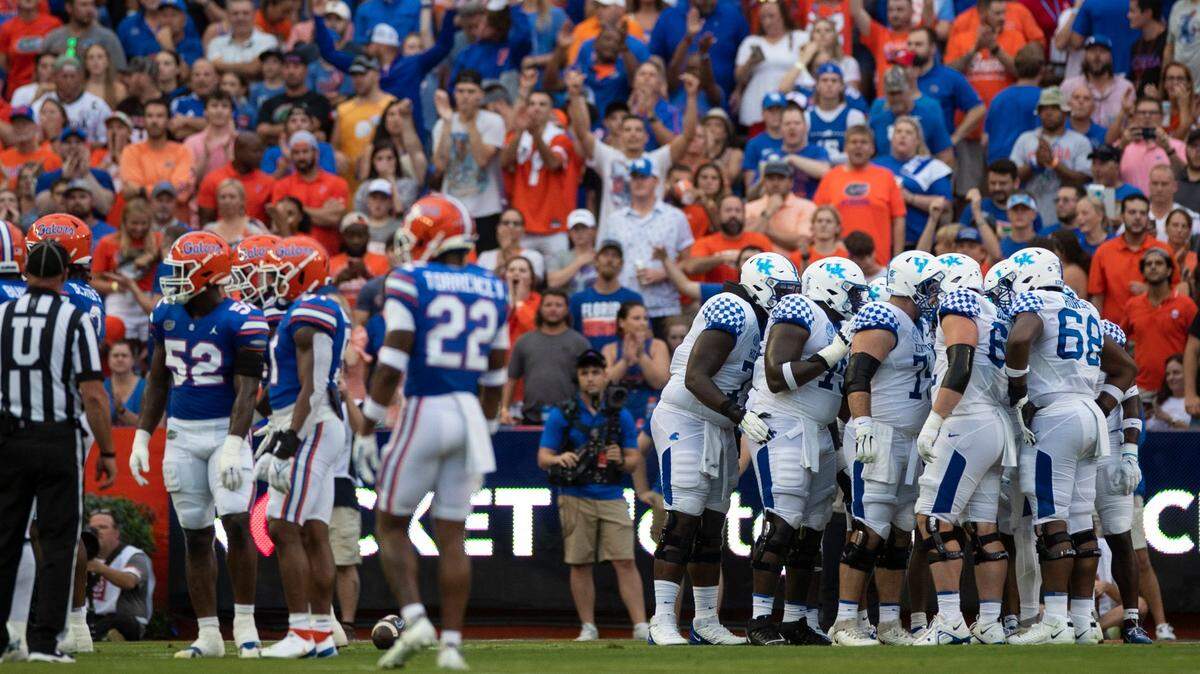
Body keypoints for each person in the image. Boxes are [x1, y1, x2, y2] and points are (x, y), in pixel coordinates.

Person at [350, 197, 508, 669]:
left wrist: (368, 423)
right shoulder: (493, 285)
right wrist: (488, 426)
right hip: (470, 413)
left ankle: (417, 618)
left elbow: (394, 357)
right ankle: (452, 645)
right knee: (452, 533)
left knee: (389, 522)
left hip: (426, 407)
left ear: (435, 238)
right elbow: (496, 373)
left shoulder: (410, 279)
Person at [127, 232, 266, 658]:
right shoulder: (165, 313)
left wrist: (234, 443)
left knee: (237, 523)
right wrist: (142, 435)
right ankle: (208, 634)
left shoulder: (242, 318)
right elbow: (157, 379)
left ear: (207, 274)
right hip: (182, 435)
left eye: (184, 269)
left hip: (225, 431)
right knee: (196, 535)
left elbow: (247, 391)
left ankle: (245, 625)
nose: (174, 277)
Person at [646, 252, 794, 646]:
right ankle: (662, 620)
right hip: (686, 417)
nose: (786, 298)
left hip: (719, 424)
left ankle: (705, 621)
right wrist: (738, 413)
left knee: (712, 527)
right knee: (682, 520)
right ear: (760, 285)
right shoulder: (731, 306)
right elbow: (696, 377)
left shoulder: (762, 318)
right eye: (781, 290)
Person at [1003, 246, 1138, 645]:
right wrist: (1100, 406)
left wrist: (1019, 397)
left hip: (1055, 417)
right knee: (1081, 524)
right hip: (1089, 417)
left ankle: (1056, 621)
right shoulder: (1086, 308)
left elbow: (1019, 340)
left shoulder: (1036, 302)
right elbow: (1127, 368)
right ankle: (1083, 622)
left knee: (1051, 522)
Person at [0, 237, 114, 664]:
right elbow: (93, 394)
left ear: (25, 273)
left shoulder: (2, 315)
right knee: (58, 540)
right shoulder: (74, 317)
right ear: (65, 276)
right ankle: (45, 643)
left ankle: (6, 636)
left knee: (7, 540)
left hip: (9, 439)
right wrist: (108, 450)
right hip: (57, 439)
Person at [744, 256, 864, 646]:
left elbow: (829, 399)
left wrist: (842, 455)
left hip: (818, 431)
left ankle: (796, 620)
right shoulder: (800, 307)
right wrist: (835, 351)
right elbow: (778, 376)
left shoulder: (835, 325)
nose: (857, 301)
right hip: (782, 424)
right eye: (852, 293)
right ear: (831, 288)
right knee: (782, 523)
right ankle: (759, 619)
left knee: (812, 530)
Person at [826, 250, 939, 647]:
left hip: (909, 440)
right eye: (929, 286)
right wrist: (862, 425)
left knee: (901, 533)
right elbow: (857, 374)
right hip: (881, 434)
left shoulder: (919, 323)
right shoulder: (883, 315)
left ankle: (889, 622)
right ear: (908, 283)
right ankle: (844, 621)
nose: (934, 294)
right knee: (868, 530)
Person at [908, 253, 1010, 645]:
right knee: (984, 528)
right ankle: (990, 622)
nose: (934, 294)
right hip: (993, 422)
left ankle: (950, 620)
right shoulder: (994, 311)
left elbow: (960, 365)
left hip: (965, 421)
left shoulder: (960, 302)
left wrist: (935, 419)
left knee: (933, 519)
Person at [254, 236, 348, 659]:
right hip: (308, 422)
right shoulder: (303, 310)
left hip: (311, 423)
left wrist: (290, 439)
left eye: (279, 273)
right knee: (312, 529)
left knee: (282, 526)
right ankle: (323, 634)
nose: (272, 282)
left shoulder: (313, 310)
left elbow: (316, 385)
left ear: (302, 273)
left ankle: (300, 632)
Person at [537, 348, 648, 642]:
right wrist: (559, 459)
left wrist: (619, 459)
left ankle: (640, 625)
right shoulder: (564, 413)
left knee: (624, 560)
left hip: (611, 493)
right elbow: (543, 457)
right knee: (580, 562)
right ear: (578, 377)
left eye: (595, 372)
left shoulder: (619, 413)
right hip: (575, 494)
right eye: (585, 373)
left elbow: (633, 460)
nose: (590, 378)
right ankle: (588, 625)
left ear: (604, 375)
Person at [565, 69, 698, 236]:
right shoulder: (608, 157)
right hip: (613, 239)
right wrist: (575, 95)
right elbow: (582, 132)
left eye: (638, 130)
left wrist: (691, 96)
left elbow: (687, 136)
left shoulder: (658, 159)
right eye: (627, 130)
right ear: (620, 134)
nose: (633, 134)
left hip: (651, 236)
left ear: (646, 137)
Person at [1089, 319, 1157, 644]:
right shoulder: (1078, 364)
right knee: (1078, 536)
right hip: (1081, 453)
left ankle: (1131, 619)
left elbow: (1132, 409)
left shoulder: (1121, 372)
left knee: (1120, 537)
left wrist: (1130, 454)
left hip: (1110, 451)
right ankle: (1080, 617)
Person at [607, 157, 694, 334]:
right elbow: (607, 260)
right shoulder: (615, 220)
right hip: (627, 307)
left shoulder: (675, 217)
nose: (638, 182)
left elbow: (688, 262)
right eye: (634, 177)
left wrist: (665, 272)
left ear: (655, 181)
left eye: (644, 177)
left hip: (665, 305)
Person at [500, 90, 581, 259]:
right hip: (523, 224)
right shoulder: (517, 136)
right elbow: (504, 163)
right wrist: (520, 132)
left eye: (542, 104)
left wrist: (536, 135)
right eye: (532, 104)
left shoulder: (560, 138)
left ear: (551, 111)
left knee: (556, 272)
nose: (536, 108)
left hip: (554, 224)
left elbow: (553, 163)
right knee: (519, 269)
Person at [431, 70, 505, 251]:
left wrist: (470, 122)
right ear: (454, 94)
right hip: (453, 209)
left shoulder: (493, 121)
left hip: (486, 209)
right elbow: (440, 165)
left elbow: (481, 159)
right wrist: (447, 122)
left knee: (484, 259)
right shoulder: (443, 123)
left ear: (481, 95)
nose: (465, 96)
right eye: (461, 91)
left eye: (471, 92)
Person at [813, 125, 906, 265]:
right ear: (845, 148)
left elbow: (899, 219)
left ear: (872, 148)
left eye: (864, 142)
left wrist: (897, 260)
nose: (858, 146)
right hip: (839, 264)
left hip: (878, 262)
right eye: (854, 142)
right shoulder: (830, 177)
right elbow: (817, 218)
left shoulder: (886, 177)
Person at [502, 289, 591, 425]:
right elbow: (511, 379)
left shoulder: (580, 343)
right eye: (548, 305)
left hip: (570, 419)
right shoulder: (524, 341)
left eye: (558, 305)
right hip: (531, 417)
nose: (553, 309)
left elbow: (590, 382)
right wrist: (504, 409)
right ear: (540, 308)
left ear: (567, 309)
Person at [1010, 87, 1093, 225]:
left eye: (1054, 108)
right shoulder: (1026, 139)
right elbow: (1012, 177)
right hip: (1030, 212)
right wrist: (1035, 164)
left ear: (1065, 112)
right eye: (1044, 108)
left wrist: (1054, 163)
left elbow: (1083, 179)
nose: (1048, 113)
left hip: (1067, 219)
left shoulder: (1080, 141)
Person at [1089, 194, 1174, 323]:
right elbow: (1097, 298)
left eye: (1142, 213)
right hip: (1113, 330)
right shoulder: (1104, 251)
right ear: (1122, 216)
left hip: (1153, 328)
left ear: (1148, 218)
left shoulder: (1163, 250)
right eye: (1132, 212)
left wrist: (1152, 290)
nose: (1137, 217)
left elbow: (1176, 290)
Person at [1123, 248, 1198, 392]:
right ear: (1143, 271)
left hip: (1177, 389)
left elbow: (1196, 346)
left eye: (1158, 263)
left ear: (1169, 270)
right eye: (1148, 264)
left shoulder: (1186, 305)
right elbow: (1120, 340)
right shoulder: (1133, 305)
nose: (1153, 266)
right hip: (1142, 387)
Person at [874, 115, 954, 248]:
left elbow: (945, 204)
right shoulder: (875, 165)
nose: (903, 136)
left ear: (917, 141)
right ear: (891, 138)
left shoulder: (932, 167)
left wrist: (911, 198)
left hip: (918, 243)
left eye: (909, 133)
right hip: (880, 242)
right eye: (898, 132)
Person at [270, 130, 350, 256]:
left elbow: (334, 219)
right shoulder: (282, 185)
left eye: (305, 151)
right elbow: (280, 220)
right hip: (292, 255)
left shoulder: (337, 183)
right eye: (296, 153)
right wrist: (322, 212)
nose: (301, 157)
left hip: (328, 255)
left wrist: (295, 211)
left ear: (316, 153)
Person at [735, 0, 808, 128]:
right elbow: (738, 78)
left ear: (783, 16)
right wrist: (750, 62)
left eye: (771, 16)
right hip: (756, 105)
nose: (768, 22)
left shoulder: (800, 37)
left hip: (791, 102)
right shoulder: (751, 41)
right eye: (763, 17)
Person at [85, 510, 154, 642]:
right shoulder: (83, 556)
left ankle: (106, 636)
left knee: (122, 621)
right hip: (90, 617)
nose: (97, 532)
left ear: (117, 533)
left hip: (123, 618)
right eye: (93, 528)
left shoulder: (133, 555)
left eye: (103, 527)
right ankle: (105, 637)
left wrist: (101, 568)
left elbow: (129, 582)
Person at [868, 67, 954, 168]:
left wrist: (932, 175)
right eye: (892, 94)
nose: (896, 98)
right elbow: (867, 150)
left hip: (918, 173)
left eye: (899, 92)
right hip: (884, 172)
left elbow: (946, 156)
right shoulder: (878, 111)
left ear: (909, 89)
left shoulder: (928, 112)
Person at [600, 301, 670, 426]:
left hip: (651, 409)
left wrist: (642, 355)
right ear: (621, 322)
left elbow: (660, 382)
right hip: (619, 409)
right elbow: (605, 383)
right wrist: (624, 361)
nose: (643, 323)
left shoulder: (658, 346)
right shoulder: (609, 349)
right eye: (636, 318)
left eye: (645, 318)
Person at [569, 239, 645, 352]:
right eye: (605, 255)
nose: (609, 260)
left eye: (614, 256)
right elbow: (569, 336)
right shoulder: (577, 300)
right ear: (596, 261)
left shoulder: (633, 299)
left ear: (621, 264)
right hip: (588, 360)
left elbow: (645, 334)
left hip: (624, 360)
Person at [685, 196, 774, 284]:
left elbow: (773, 270)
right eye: (728, 210)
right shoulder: (705, 242)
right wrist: (724, 258)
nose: (733, 215)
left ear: (744, 215)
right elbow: (691, 267)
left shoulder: (761, 240)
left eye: (738, 210)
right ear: (719, 215)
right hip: (717, 292)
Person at [984, 43, 1044, 164]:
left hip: (999, 163)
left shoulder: (998, 98)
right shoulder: (1044, 99)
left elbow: (985, 139)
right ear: (1042, 69)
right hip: (1029, 164)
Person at [197, 132, 274, 225]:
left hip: (257, 233)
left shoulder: (268, 182)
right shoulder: (213, 179)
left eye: (262, 151)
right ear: (238, 151)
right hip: (220, 233)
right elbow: (205, 222)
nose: (261, 156)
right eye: (255, 151)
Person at [1061, 36, 1135, 130]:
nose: (1097, 56)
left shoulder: (1126, 87)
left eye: (1102, 51)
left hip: (1117, 138)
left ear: (1111, 57)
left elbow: (1132, 121)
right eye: (1092, 51)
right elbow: (1060, 119)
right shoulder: (1069, 85)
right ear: (1085, 56)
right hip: (1077, 137)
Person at [801, 63, 868, 165]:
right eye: (824, 80)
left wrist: (827, 160)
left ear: (842, 86)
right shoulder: (806, 117)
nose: (829, 84)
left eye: (834, 80)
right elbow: (802, 151)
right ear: (817, 85)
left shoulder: (854, 116)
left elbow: (858, 152)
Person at [1118, 97, 1186, 195]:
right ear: (1134, 116)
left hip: (1166, 203)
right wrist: (1121, 147)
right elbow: (1106, 178)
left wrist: (1168, 150)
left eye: (1153, 113)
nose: (1147, 116)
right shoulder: (1123, 145)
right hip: (1129, 203)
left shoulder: (1177, 146)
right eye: (1142, 113)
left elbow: (1186, 177)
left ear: (1162, 117)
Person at [745, 161, 817, 252]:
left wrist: (767, 230)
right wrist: (768, 211)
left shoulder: (807, 206)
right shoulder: (749, 207)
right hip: (758, 260)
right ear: (764, 182)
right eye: (771, 179)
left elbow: (802, 242)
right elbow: (747, 242)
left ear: (791, 182)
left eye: (781, 178)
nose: (775, 183)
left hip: (791, 260)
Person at [43, 0, 126, 71]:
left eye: (92, 5)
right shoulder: (54, 37)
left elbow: (120, 71)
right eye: (84, 5)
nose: (89, 10)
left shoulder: (107, 37)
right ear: (69, 7)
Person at [330, 213, 391, 309]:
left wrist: (367, 276)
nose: (356, 241)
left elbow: (388, 292)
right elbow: (323, 294)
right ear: (343, 236)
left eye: (360, 235)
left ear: (368, 236)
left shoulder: (383, 261)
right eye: (351, 235)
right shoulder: (331, 263)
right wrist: (338, 281)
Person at [206, 0, 279, 77]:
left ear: (254, 14)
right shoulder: (216, 43)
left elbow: (254, 68)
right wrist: (247, 66)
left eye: (245, 13)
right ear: (228, 16)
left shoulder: (268, 41)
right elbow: (213, 66)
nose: (240, 18)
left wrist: (222, 66)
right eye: (235, 13)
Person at [474, 209, 546, 282]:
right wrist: (503, 252)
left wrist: (507, 252)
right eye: (506, 223)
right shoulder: (485, 256)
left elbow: (532, 283)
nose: (511, 226)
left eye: (516, 223)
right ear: (498, 228)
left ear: (523, 230)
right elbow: (479, 282)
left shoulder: (534, 256)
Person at [1150, 354, 1190, 428]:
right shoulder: (1159, 401)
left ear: (1188, 374)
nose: (1171, 377)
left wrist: (1169, 419)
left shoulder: (1195, 402)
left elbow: (1194, 430)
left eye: (1176, 372)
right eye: (1168, 374)